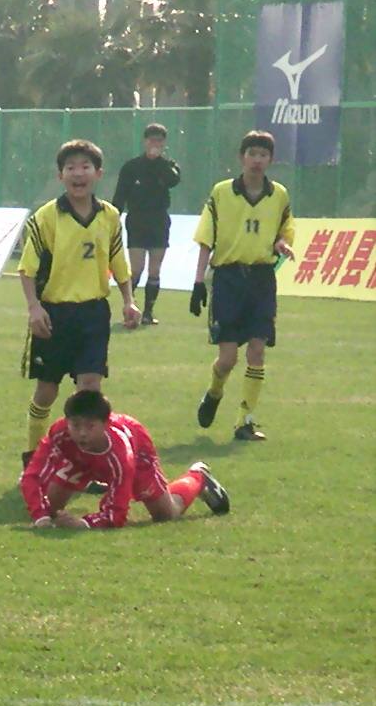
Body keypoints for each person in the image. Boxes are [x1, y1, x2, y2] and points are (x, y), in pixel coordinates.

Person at [18, 139, 141, 469]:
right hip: (55, 314)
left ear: (98, 173)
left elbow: (119, 262)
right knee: (47, 390)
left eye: (85, 167)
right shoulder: (46, 218)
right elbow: (27, 269)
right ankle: (33, 458)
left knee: (89, 390)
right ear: (60, 176)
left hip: (93, 314)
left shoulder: (110, 217)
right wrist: (34, 308)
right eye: (70, 167)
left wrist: (129, 301)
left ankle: (85, 464)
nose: (78, 173)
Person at [190, 130, 295, 442]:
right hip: (228, 279)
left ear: (270, 160)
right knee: (228, 359)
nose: (257, 160)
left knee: (258, 351)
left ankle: (244, 421)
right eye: (252, 153)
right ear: (241, 157)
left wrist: (281, 243)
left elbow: (285, 229)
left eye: (264, 154)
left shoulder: (279, 195)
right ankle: (214, 391)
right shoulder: (222, 193)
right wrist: (198, 282)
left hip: (262, 279)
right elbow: (206, 238)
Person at [21, 390, 229, 530]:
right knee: (52, 510)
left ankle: (198, 477)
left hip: (138, 452)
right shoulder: (59, 433)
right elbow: (31, 476)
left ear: (106, 423)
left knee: (166, 515)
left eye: (90, 426)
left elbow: (117, 514)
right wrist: (41, 516)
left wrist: (84, 523)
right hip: (79, 460)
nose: (82, 433)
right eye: (75, 426)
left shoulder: (122, 453)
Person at [111, 122, 181, 325]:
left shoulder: (168, 166)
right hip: (137, 220)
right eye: (152, 140)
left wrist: (158, 161)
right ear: (145, 141)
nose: (155, 144)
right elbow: (120, 196)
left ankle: (149, 312)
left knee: (155, 269)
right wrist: (114, 218)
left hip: (159, 220)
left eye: (159, 140)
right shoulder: (132, 167)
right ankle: (129, 308)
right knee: (137, 268)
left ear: (164, 143)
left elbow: (173, 180)